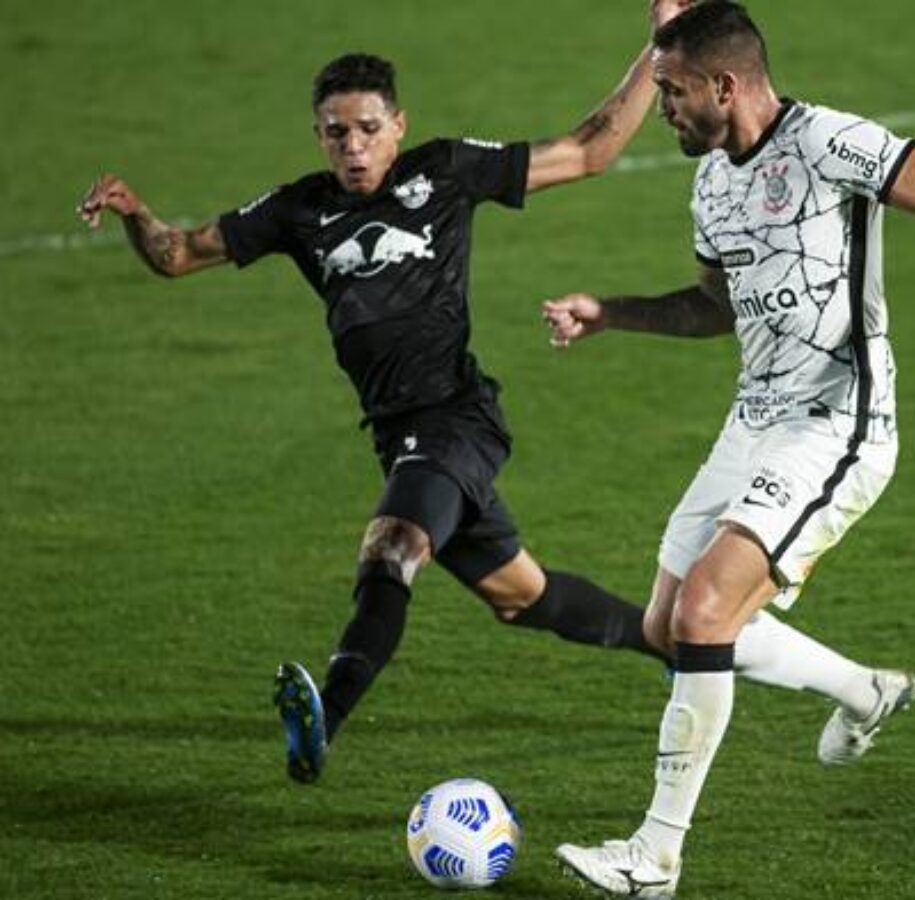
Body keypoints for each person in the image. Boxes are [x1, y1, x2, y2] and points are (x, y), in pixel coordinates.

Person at [76, 0, 695, 785]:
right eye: (337, 132)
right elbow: (174, 254)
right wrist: (136, 213)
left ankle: (322, 721)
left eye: (369, 128)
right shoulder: (299, 210)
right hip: (397, 436)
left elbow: (590, 150)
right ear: (319, 137)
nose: (355, 146)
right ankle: (677, 646)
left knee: (392, 549)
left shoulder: (444, 171)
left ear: (398, 126)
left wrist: (659, 45)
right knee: (523, 597)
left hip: (455, 420)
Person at [543, 2, 915, 895]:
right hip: (752, 422)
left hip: (838, 425)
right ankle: (864, 689)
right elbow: (714, 307)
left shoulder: (826, 141)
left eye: (672, 91)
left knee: (708, 614)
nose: (663, 108)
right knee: (664, 626)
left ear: (725, 84)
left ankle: (655, 856)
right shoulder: (712, 181)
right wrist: (613, 313)